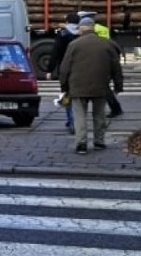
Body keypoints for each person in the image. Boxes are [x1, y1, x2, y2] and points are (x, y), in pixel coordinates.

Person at [59, 15, 123, 154]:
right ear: (93, 28)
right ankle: (99, 141)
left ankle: (81, 144)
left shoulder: (74, 45)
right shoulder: (106, 43)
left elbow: (65, 68)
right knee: (99, 114)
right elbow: (116, 67)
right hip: (100, 85)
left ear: (82, 29)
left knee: (80, 116)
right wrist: (118, 85)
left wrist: (64, 87)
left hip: (77, 87)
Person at [79, 12, 123, 118]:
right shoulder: (102, 28)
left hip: (99, 59)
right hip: (105, 59)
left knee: (103, 88)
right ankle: (116, 108)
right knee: (104, 86)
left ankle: (115, 108)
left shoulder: (95, 29)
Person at [46, 11, 80, 133]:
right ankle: (78, 120)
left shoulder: (63, 34)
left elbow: (56, 52)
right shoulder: (82, 34)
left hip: (65, 69)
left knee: (66, 95)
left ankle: (70, 120)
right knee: (80, 96)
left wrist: (50, 69)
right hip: (80, 69)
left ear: (67, 22)